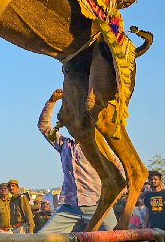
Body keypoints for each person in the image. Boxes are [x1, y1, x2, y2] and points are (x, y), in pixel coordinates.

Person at [36, 89, 118, 233]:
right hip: (69, 207)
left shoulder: (100, 147)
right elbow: (43, 126)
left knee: (116, 239)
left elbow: (120, 171)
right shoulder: (65, 145)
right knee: (43, 238)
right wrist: (52, 101)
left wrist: (114, 198)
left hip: (98, 204)